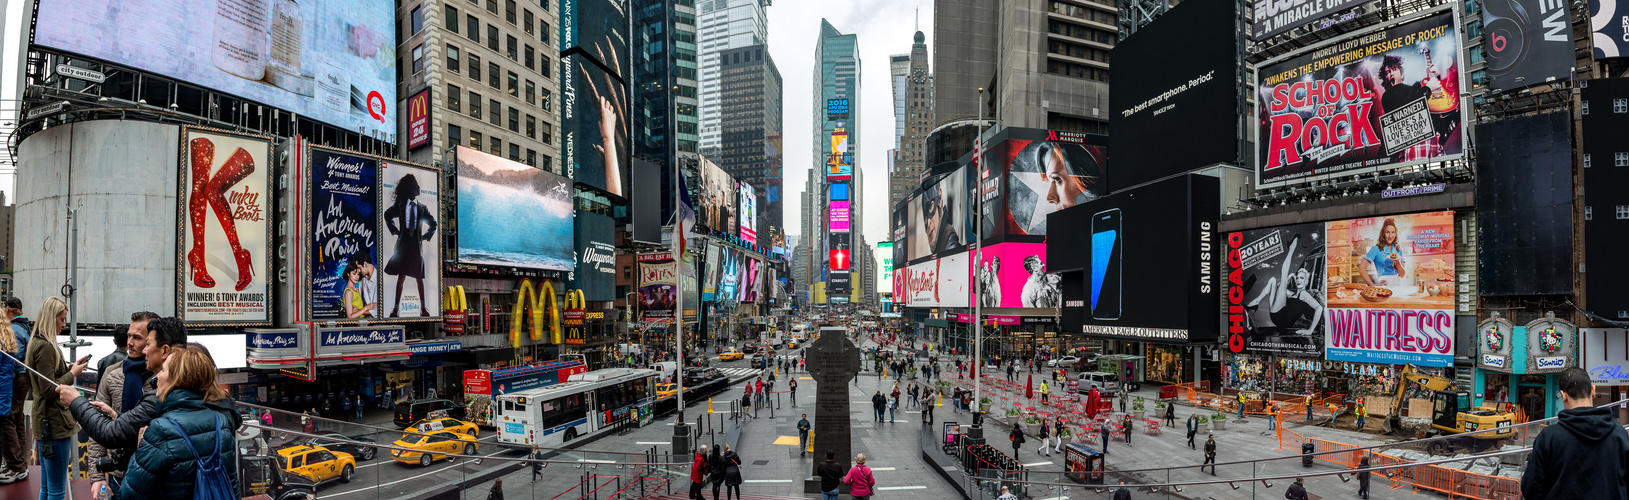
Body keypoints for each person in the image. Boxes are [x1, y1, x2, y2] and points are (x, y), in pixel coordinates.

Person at [117, 347, 241, 500]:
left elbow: (129, 494)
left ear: (175, 380)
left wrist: (140, 450)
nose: (157, 376)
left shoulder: (161, 430)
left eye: (163, 370)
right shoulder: (220, 422)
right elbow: (232, 485)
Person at [1522, 366, 1629, 499]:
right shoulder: (1620, 435)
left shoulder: (1548, 438)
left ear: (1563, 396)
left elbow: (1530, 489)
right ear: (1593, 390)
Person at [84, 311, 160, 492]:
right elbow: (97, 427)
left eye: (137, 338)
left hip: (156, 472)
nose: (130, 343)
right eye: (128, 336)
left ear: (151, 341)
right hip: (118, 473)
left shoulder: (165, 376)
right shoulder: (112, 374)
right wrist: (96, 477)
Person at [24, 297, 87, 500]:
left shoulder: (38, 342)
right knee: (58, 489)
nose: (64, 324)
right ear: (51, 319)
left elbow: (48, 377)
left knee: (47, 486)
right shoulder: (46, 347)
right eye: (61, 319)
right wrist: (73, 373)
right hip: (54, 424)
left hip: (45, 422)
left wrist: (68, 368)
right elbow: (49, 390)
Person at [383, 173, 439, 317]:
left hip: (416, 246)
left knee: (419, 278)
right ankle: (395, 309)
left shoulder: (422, 208)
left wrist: (425, 237)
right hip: (403, 245)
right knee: (401, 277)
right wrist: (395, 231)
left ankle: (423, 308)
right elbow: (387, 215)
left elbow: (433, 224)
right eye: (416, 186)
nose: (419, 187)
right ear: (410, 189)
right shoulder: (400, 205)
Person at [0, 297, 24, 485]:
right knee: (14, 422)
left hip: (9, 388)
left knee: (8, 422)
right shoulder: (17, 333)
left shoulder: (8, 338)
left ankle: (15, 466)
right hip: (10, 388)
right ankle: (18, 465)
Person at [1359, 217, 1407, 286]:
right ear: (1383, 233)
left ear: (1396, 234)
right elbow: (1361, 268)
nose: (1390, 236)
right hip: (1383, 285)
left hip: (1398, 286)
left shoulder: (1398, 250)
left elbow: (1402, 275)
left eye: (1393, 232)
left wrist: (1397, 262)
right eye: (1387, 232)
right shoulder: (1376, 249)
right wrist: (1373, 285)